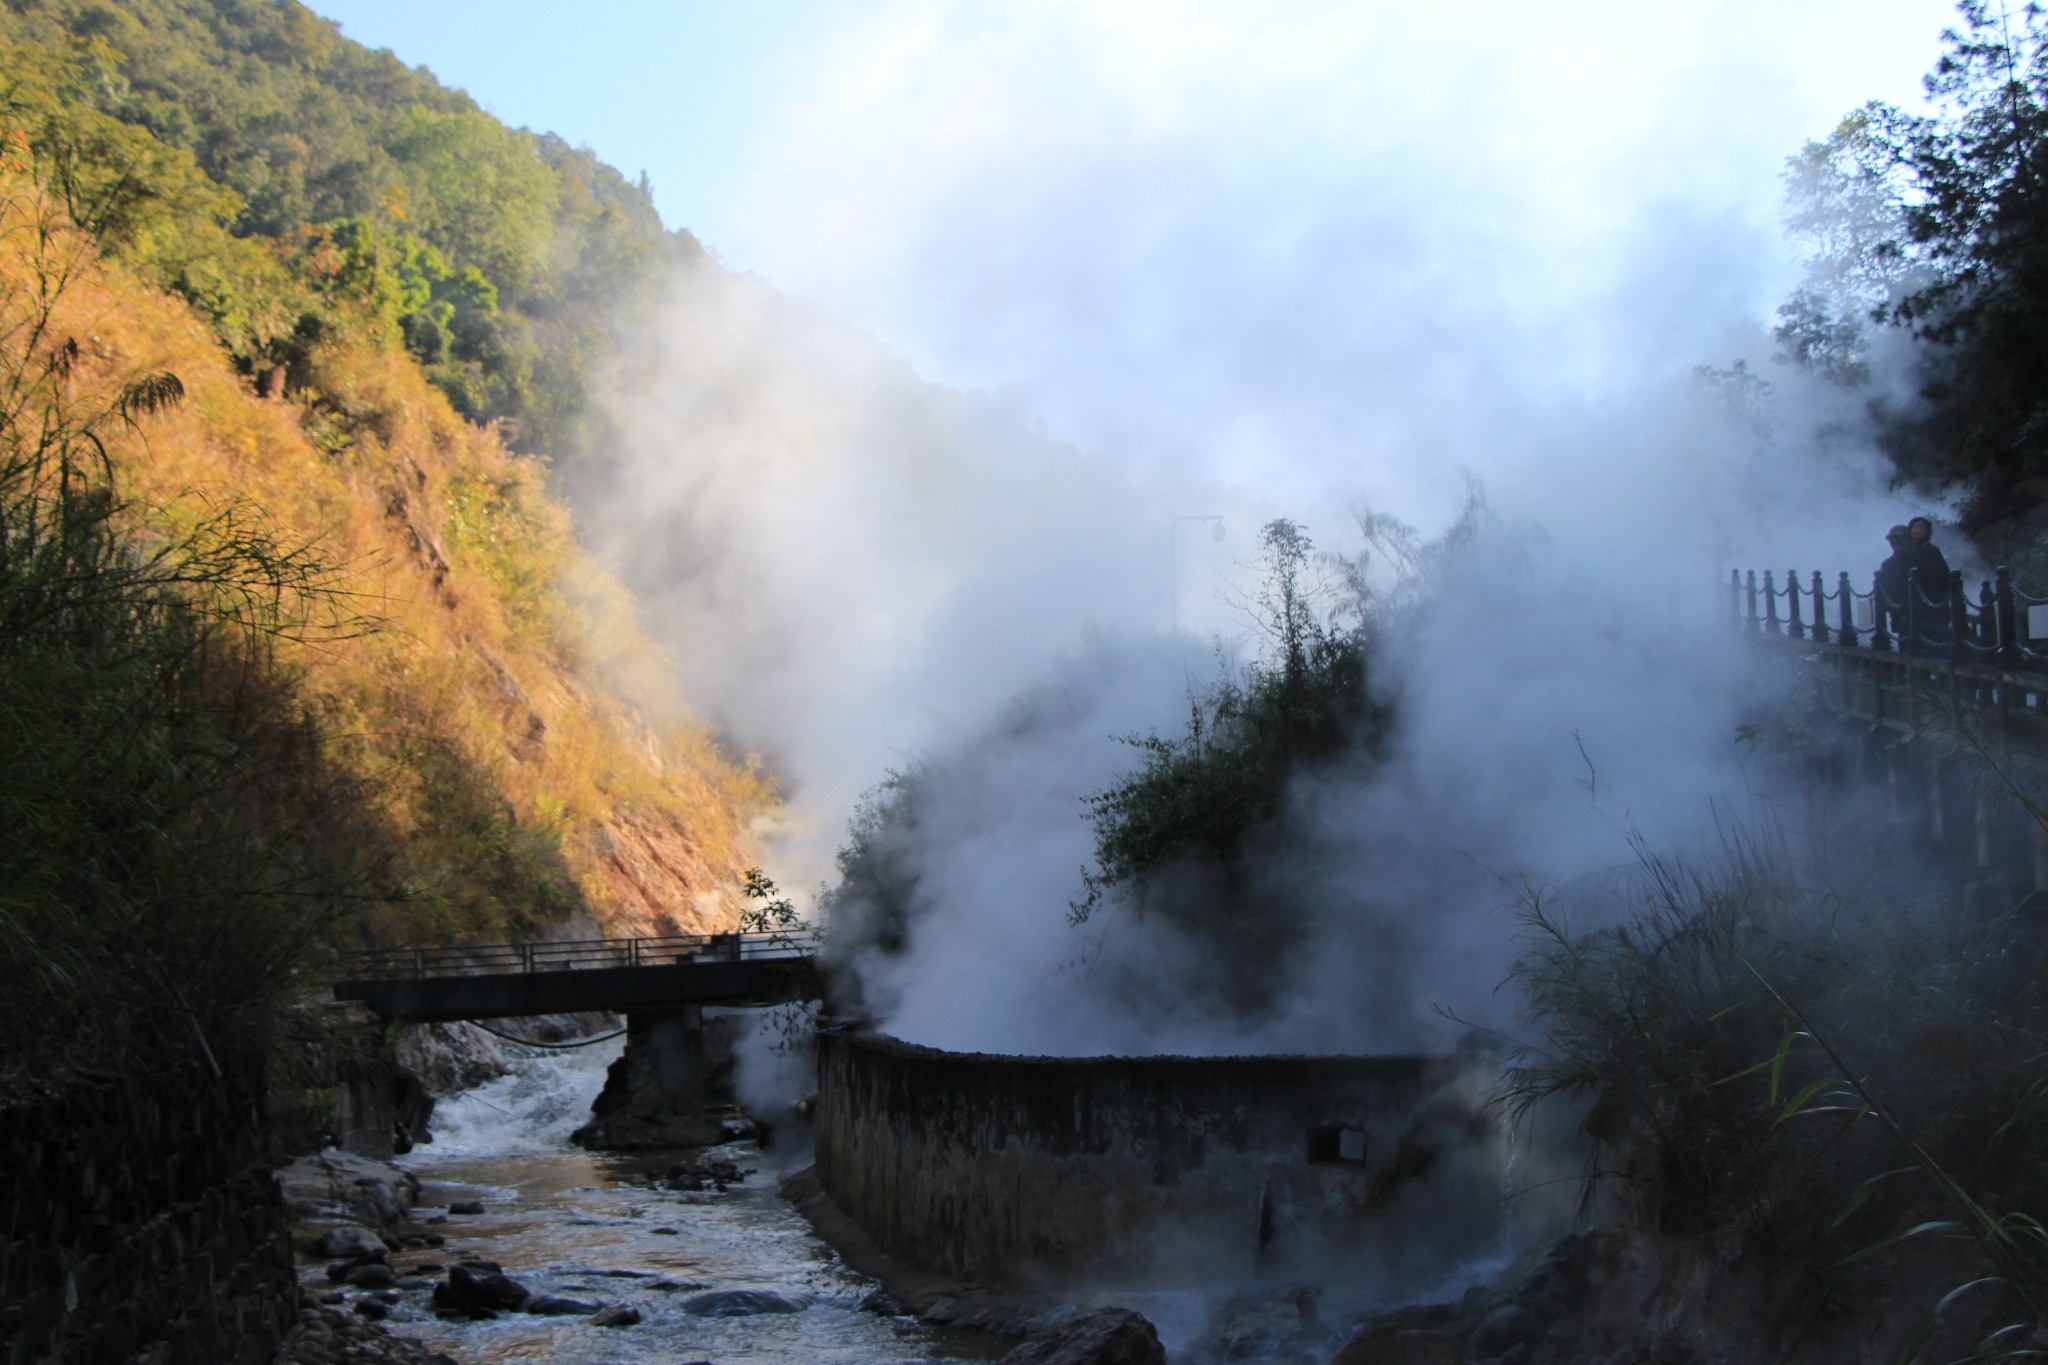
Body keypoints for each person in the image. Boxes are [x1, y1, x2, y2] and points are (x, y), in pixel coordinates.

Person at [1877, 525, 1915, 637]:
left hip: (1924, 616)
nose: (1895, 543)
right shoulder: (1888, 564)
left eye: (1899, 540)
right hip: (1900, 615)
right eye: (1892, 540)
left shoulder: (1920, 558)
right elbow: (1886, 592)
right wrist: (1896, 611)